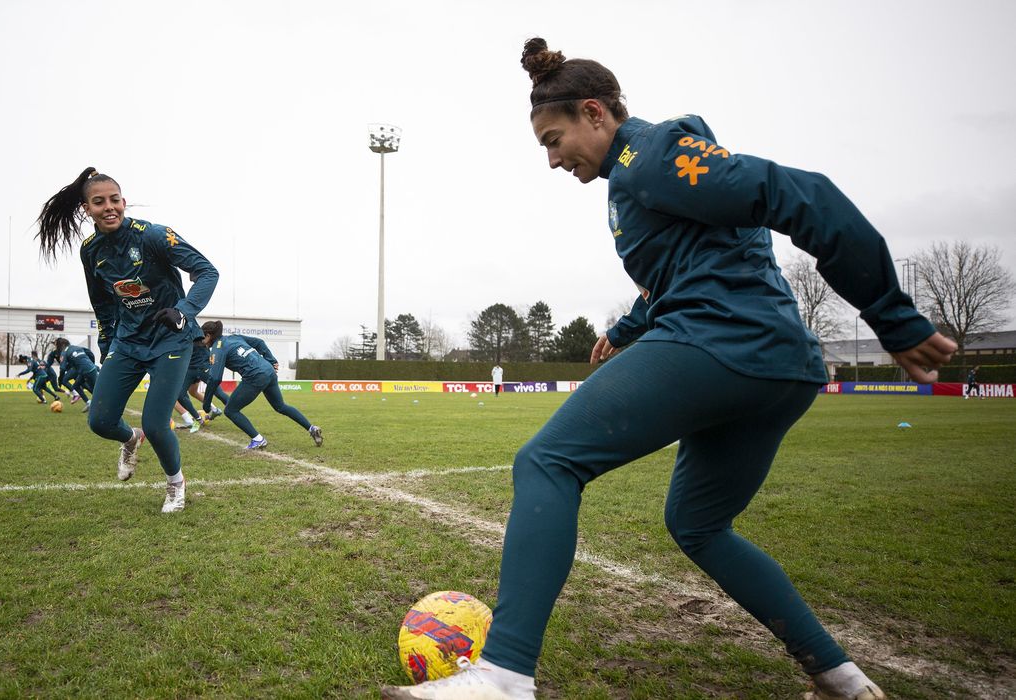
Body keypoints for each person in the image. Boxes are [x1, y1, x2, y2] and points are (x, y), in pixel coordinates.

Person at [381, 38, 958, 700]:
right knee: (698, 525)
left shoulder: (651, 156)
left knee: (547, 462)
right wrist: (625, 329)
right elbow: (679, 272)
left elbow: (802, 193)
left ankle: (505, 675)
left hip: (726, 341)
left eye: (553, 138)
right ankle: (843, 680)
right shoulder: (634, 176)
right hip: (777, 364)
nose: (550, 159)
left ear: (595, 113)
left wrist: (892, 313)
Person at [36, 167, 218, 513]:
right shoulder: (90, 250)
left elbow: (207, 272)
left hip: (171, 341)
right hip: (127, 343)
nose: (109, 207)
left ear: (124, 201)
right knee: (100, 421)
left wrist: (184, 310)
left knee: (156, 422)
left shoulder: (152, 235)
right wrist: (108, 346)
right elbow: (102, 303)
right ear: (86, 209)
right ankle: (130, 438)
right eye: (99, 201)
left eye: (115, 200)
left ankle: (175, 484)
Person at [202, 331, 322, 450]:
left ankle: (258, 439)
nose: (202, 341)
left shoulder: (217, 348)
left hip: (255, 376)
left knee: (230, 410)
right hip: (268, 370)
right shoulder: (234, 337)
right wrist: (272, 360)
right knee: (280, 406)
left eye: (203, 337)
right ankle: (312, 428)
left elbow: (215, 378)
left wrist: (206, 404)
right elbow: (259, 342)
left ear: (208, 336)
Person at [56, 338, 99, 413]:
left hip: (87, 372)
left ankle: (105, 405)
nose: (57, 348)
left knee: (96, 390)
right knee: (76, 385)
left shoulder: (64, 352)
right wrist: (91, 363)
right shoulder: (77, 347)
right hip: (88, 370)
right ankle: (89, 403)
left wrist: (60, 380)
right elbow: (90, 353)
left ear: (62, 345)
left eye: (57, 345)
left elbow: (62, 369)